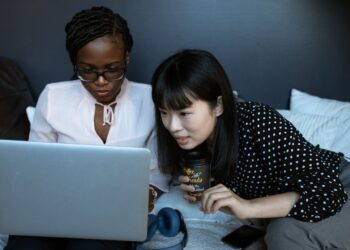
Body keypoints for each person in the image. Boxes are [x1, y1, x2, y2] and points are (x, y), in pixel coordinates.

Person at [5, 6, 169, 250]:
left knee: (89, 244)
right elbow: (35, 169)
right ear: (75, 64)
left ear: (126, 58)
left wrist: (148, 195)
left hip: (114, 214)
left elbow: (158, 171)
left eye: (113, 69)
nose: (101, 82)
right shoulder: (52, 97)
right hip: (54, 208)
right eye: (88, 71)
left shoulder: (150, 100)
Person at [151, 49, 350, 249]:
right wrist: (206, 192)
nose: (172, 126)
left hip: (336, 184)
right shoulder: (195, 143)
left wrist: (248, 207)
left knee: (284, 235)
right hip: (288, 202)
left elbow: (327, 191)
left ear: (218, 106)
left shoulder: (257, 120)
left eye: (184, 113)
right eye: (164, 112)